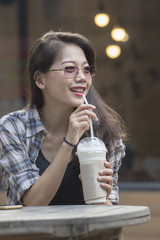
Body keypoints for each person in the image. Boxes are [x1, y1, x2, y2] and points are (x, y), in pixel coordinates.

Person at [0, 31, 126, 206]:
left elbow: (110, 210)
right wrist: (69, 142)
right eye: (69, 69)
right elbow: (32, 202)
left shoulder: (104, 132)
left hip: (87, 233)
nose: (82, 77)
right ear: (39, 80)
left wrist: (103, 198)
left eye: (86, 69)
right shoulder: (13, 128)